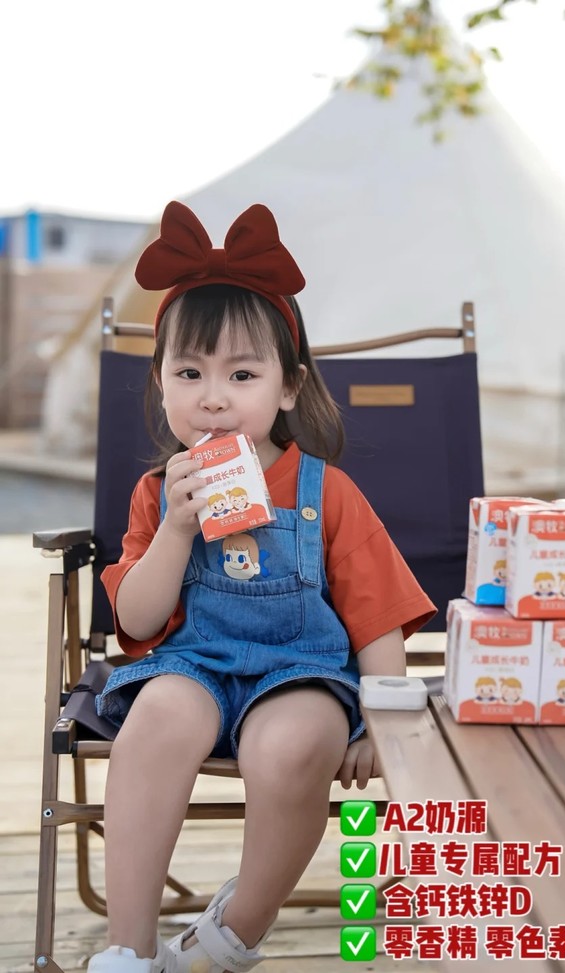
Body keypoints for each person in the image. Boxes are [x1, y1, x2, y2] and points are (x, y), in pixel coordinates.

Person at [88, 201, 436, 973]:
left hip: (300, 671)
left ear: (287, 387)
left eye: (242, 375)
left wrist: (380, 723)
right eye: (189, 373)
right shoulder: (158, 492)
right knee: (154, 718)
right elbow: (136, 620)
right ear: (161, 383)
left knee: (292, 746)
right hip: (195, 664)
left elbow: (376, 613)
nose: (214, 396)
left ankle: (237, 925)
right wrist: (177, 529)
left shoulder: (326, 491)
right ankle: (129, 947)